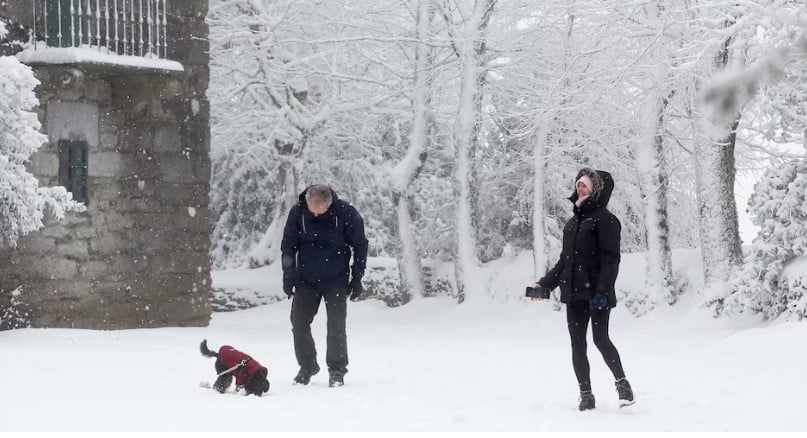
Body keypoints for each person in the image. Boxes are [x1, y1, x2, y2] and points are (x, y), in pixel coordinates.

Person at [530, 168, 635, 411]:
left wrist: (603, 291)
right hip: (574, 293)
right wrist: (544, 285)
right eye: (578, 184)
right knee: (577, 344)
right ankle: (586, 395)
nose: (580, 187)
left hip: (596, 293)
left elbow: (611, 260)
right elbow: (564, 262)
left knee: (600, 339)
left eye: (585, 184)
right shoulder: (572, 224)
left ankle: (622, 384)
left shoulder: (606, 220)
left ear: (595, 189)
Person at [281, 184, 368, 387]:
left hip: (336, 280)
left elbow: (360, 245)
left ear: (328, 205)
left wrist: (357, 277)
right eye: (312, 209)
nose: (315, 215)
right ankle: (307, 366)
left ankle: (337, 370)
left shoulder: (346, 213)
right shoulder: (298, 213)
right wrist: (288, 276)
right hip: (306, 280)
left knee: (336, 326)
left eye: (320, 211)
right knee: (299, 323)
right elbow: (288, 245)